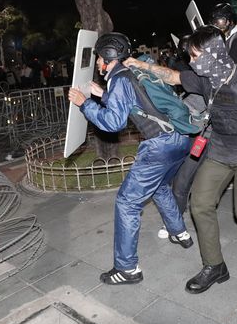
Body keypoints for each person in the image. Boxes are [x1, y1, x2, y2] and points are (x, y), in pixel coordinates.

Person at [126, 26, 237, 294]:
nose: (192, 62)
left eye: (195, 56)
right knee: (200, 203)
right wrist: (140, 65)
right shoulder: (206, 79)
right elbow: (174, 77)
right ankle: (215, 266)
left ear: (213, 54)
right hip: (219, 148)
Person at [67, 33, 193, 285]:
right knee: (159, 187)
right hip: (180, 139)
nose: (99, 64)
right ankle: (179, 232)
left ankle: (127, 269)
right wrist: (102, 94)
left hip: (159, 145)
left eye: (100, 59)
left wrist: (84, 104)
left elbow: (114, 122)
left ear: (108, 57)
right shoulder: (130, 71)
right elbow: (135, 104)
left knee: (126, 202)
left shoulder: (120, 79)